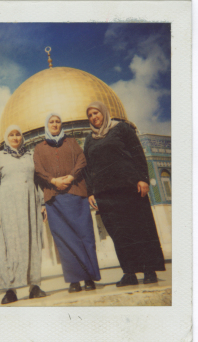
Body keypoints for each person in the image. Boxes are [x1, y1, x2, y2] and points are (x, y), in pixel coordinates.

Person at [84, 101, 165, 287]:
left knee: (139, 228)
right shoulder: (90, 139)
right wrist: (90, 191)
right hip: (106, 194)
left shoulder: (121, 129)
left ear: (104, 113)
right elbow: (88, 167)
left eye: (96, 113)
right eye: (90, 115)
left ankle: (149, 270)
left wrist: (143, 178)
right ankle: (129, 272)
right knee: (120, 234)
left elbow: (137, 153)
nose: (94, 117)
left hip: (129, 188)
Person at [33, 113, 101, 293]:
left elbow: (82, 160)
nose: (55, 124)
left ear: (61, 125)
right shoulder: (39, 148)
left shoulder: (71, 142)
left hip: (76, 194)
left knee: (84, 235)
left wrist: (71, 177)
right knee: (65, 241)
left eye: (57, 122)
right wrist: (54, 181)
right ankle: (74, 280)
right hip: (54, 199)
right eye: (51, 122)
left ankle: (89, 277)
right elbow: (38, 170)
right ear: (46, 125)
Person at [0, 125, 47, 304]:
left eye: (17, 135)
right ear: (7, 138)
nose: (15, 138)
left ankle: (34, 286)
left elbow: (37, 181)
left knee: (33, 243)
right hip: (9, 207)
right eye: (11, 135)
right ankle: (10, 290)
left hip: (31, 205)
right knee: (9, 246)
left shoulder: (30, 156)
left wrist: (42, 203)